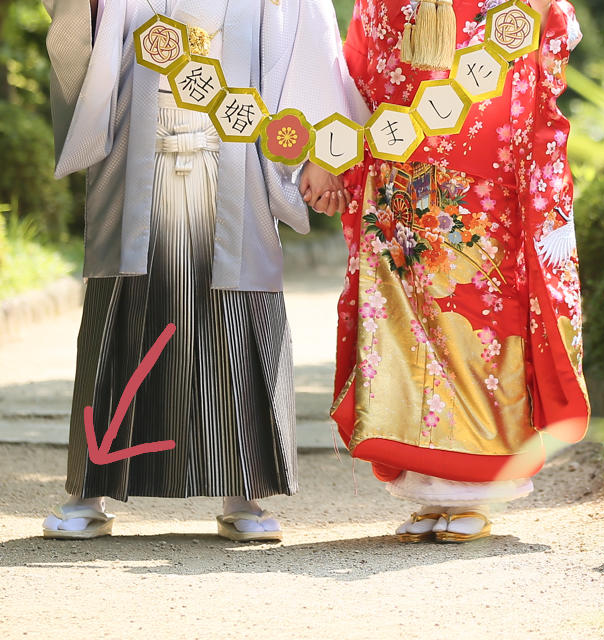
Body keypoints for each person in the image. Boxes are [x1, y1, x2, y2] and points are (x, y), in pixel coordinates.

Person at [41, 0, 367, 541]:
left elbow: (311, 49)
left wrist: (320, 153)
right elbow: (81, 26)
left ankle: (244, 491)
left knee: (237, 319)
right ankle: (88, 489)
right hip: (134, 147)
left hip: (238, 154)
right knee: (122, 312)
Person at [331, 0, 590, 542]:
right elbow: (358, 67)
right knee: (406, 327)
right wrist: (340, 157)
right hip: (401, 170)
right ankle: (426, 486)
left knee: (480, 327)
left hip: (484, 183)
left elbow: (548, 33)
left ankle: (475, 488)